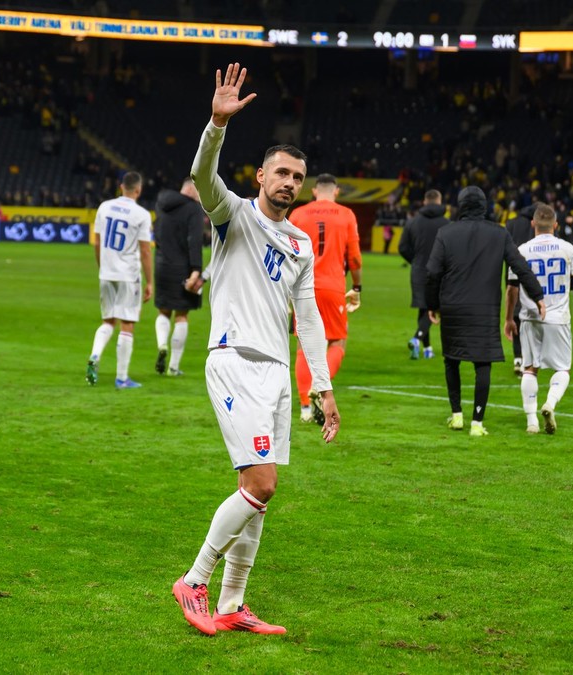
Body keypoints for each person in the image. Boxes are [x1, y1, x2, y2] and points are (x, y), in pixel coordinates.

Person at [172, 63, 339, 637]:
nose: (289, 182)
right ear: (261, 175)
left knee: (262, 493)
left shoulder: (298, 241)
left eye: (298, 175)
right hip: (234, 360)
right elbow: (201, 173)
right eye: (281, 173)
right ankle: (194, 580)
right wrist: (216, 124)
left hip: (275, 372)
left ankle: (233, 604)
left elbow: (309, 316)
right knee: (260, 484)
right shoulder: (233, 215)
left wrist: (323, 382)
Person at [428, 186, 544, 437]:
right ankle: (477, 423)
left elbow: (433, 272)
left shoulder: (445, 233)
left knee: (452, 359)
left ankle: (457, 415)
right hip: (485, 309)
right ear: (484, 206)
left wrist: (432, 305)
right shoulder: (498, 234)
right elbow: (520, 267)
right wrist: (538, 295)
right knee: (483, 363)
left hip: (453, 306)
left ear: (460, 206)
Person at [511, 203, 573, 434]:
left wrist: (508, 318)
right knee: (562, 369)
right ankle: (550, 403)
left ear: (533, 224)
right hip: (558, 318)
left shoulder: (521, 250)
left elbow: (512, 288)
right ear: (556, 225)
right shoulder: (567, 248)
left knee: (530, 369)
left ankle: (531, 421)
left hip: (530, 317)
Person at [288, 173, 362, 423]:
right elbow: (354, 257)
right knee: (337, 342)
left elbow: (287, 253)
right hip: (332, 286)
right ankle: (320, 388)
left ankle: (305, 408)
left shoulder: (298, 214)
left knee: (302, 344)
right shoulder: (346, 215)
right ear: (337, 191)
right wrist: (358, 287)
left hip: (301, 285)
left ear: (315, 191)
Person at [86, 172, 154, 388]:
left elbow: (97, 244)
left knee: (107, 321)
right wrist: (150, 281)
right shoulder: (142, 214)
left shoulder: (104, 207)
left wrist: (103, 267)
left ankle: (95, 356)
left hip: (106, 272)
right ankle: (122, 378)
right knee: (127, 324)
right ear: (138, 190)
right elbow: (145, 251)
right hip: (127, 275)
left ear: (120, 186)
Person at [152, 178, 206, 377]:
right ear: (190, 189)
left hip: (162, 264)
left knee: (163, 311)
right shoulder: (193, 209)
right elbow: (195, 241)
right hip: (183, 267)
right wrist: (196, 269)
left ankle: (162, 344)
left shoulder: (161, 204)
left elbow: (155, 232)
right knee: (182, 316)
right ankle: (173, 367)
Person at [398, 189, 449, 359]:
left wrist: (416, 261)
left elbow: (403, 247)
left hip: (419, 271)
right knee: (433, 308)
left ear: (425, 202)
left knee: (424, 307)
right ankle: (417, 338)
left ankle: (427, 349)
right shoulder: (447, 224)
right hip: (440, 273)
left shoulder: (413, 222)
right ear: (439, 201)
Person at [504, 204, 537, 371]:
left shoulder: (511, 224)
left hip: (513, 270)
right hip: (534, 272)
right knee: (532, 314)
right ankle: (531, 357)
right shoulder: (537, 222)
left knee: (516, 315)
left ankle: (518, 357)